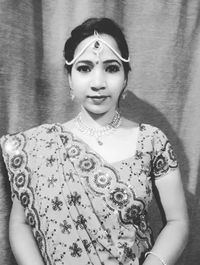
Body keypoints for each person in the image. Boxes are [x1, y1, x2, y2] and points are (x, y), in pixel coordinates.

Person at [0, 17, 189, 265]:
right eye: (84, 68)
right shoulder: (36, 146)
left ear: (125, 79)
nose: (98, 83)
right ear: (69, 78)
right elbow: (20, 223)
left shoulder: (151, 141)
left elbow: (178, 222)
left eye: (111, 68)